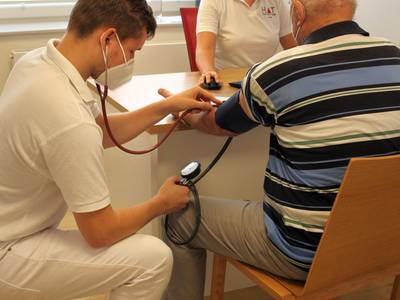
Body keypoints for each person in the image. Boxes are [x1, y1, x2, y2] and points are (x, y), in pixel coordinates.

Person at [160, 0, 400, 299]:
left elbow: (218, 124)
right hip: (385, 243)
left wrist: (180, 109)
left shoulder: (279, 71)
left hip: (301, 252)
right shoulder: (395, 56)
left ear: (296, 12)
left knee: (179, 216)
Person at [0, 1, 218, 299]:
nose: (130, 60)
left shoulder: (38, 63)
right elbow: (100, 232)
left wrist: (167, 105)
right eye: (131, 51)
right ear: (107, 38)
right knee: (152, 259)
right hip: (9, 251)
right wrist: (161, 203)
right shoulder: (66, 117)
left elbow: (98, 130)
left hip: (11, 224)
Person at [196, 0, 297, 85]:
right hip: (226, 81)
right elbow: (204, 48)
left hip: (264, 81)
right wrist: (208, 71)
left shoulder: (278, 2)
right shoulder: (212, 2)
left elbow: (293, 48)